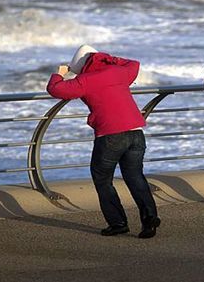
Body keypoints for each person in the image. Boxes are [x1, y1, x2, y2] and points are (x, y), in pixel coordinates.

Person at [47, 44, 160, 238]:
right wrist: (109, 58)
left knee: (102, 178)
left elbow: (56, 89)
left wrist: (59, 73)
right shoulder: (117, 71)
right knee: (135, 177)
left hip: (110, 135)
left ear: (81, 66)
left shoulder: (85, 80)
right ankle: (149, 219)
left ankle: (118, 223)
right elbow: (134, 64)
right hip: (135, 132)